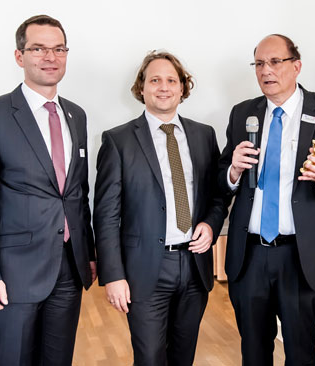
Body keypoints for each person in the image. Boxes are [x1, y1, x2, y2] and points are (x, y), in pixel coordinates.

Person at [0, 14, 96, 366]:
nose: (50, 57)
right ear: (20, 56)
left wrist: (89, 252)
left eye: (58, 48)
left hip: (68, 268)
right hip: (13, 272)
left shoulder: (75, 115)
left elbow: (77, 193)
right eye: (38, 48)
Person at [218, 34, 315, 365]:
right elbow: (222, 173)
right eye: (258, 64)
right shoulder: (244, 113)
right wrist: (233, 172)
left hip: (302, 255)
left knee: (300, 351)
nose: (266, 70)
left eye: (275, 62)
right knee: (253, 351)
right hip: (250, 254)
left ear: (296, 66)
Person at [93, 51, 226, 366]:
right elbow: (106, 215)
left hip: (194, 266)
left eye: (171, 80)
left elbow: (217, 196)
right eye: (155, 80)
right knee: (150, 357)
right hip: (145, 270)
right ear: (142, 88)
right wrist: (113, 275)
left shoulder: (204, 135)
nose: (163, 87)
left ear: (182, 88)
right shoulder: (118, 141)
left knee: (184, 355)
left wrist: (210, 224)